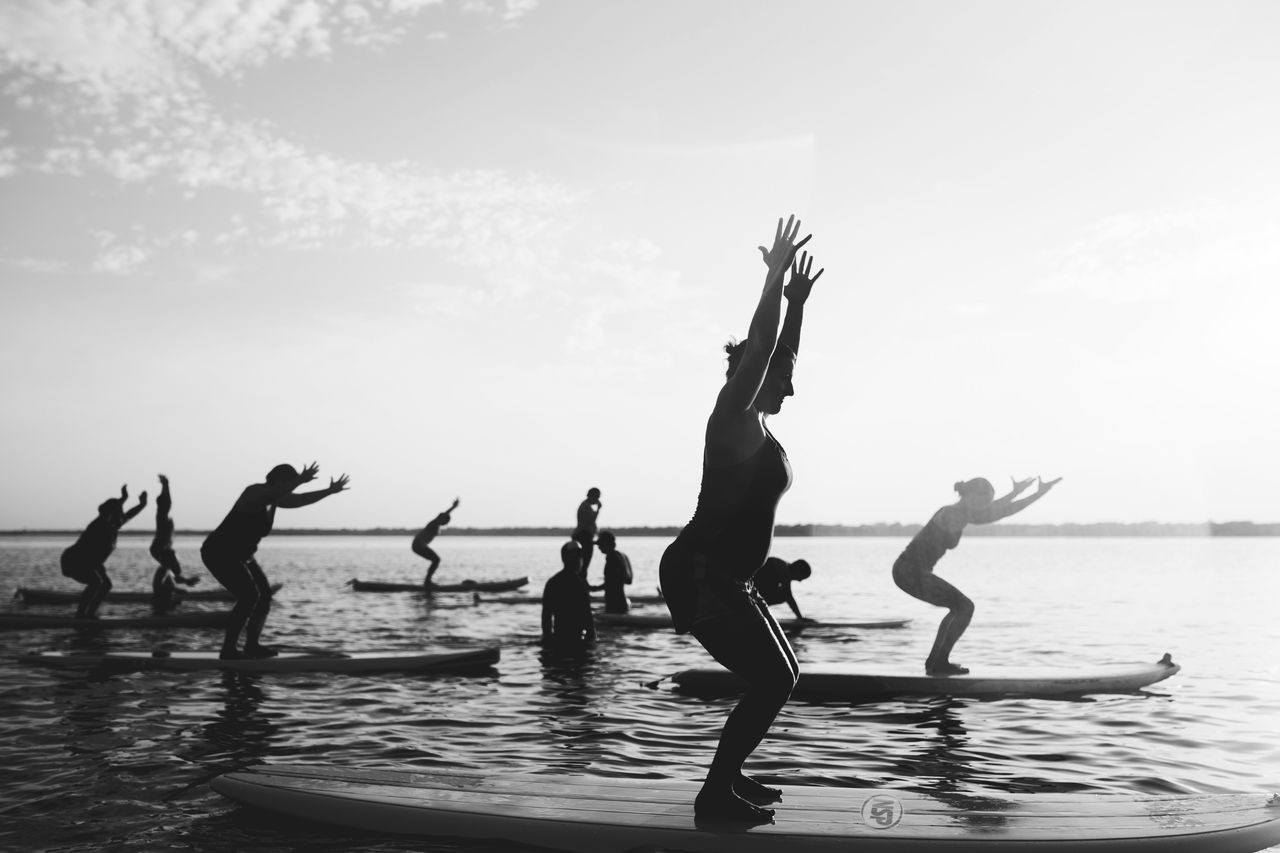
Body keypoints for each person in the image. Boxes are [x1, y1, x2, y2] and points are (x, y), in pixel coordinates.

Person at [658, 215, 820, 823]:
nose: (792, 388)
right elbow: (763, 346)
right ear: (752, 376)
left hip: (732, 578)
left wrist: (797, 304)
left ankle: (730, 776)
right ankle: (713, 796)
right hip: (700, 572)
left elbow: (782, 351)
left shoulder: (760, 427)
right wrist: (774, 281)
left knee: (786, 675)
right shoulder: (731, 415)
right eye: (782, 378)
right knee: (775, 680)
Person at [893, 475, 1062, 676]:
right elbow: (998, 512)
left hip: (912, 571)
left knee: (958, 607)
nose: (985, 506)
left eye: (988, 502)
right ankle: (938, 662)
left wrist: (1025, 493)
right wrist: (1031, 493)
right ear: (971, 495)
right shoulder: (953, 513)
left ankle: (935, 662)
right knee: (964, 607)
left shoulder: (961, 512)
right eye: (984, 501)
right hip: (909, 571)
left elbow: (998, 511)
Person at [201, 462, 349, 659]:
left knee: (263, 595)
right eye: (290, 483)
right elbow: (270, 495)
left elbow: (301, 499)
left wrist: (329, 491)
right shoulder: (254, 492)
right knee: (249, 596)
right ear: (279, 481)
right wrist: (300, 480)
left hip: (243, 556)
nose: (291, 487)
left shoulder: (275, 499)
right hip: (218, 552)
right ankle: (228, 650)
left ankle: (251, 646)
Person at [60, 485, 148, 619]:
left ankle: (89, 614)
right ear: (112, 513)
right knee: (96, 582)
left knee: (106, 585)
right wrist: (122, 499)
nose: (122, 514)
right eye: (120, 511)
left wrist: (141, 504)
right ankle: (80, 616)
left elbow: (128, 514)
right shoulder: (99, 525)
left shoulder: (114, 523)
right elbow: (107, 510)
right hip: (74, 560)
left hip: (91, 561)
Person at [150, 474, 200, 613]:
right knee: (169, 573)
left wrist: (185, 583)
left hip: (160, 549)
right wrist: (166, 485)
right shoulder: (162, 517)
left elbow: (165, 503)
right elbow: (165, 503)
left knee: (171, 574)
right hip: (158, 548)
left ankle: (167, 600)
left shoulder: (166, 568)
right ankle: (162, 603)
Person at [541, 540, 596, 650]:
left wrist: (547, 639)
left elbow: (546, 617)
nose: (579, 559)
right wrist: (592, 642)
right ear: (565, 558)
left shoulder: (553, 582)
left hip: (559, 640)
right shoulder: (579, 584)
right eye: (575, 556)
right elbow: (587, 617)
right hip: (577, 642)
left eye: (580, 556)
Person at [412, 497, 459, 586]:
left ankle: (427, 580)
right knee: (436, 560)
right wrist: (453, 507)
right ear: (442, 519)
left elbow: (444, 515)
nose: (447, 523)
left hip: (419, 545)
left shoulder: (436, 524)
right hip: (418, 545)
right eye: (447, 521)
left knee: (435, 560)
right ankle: (427, 581)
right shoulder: (435, 523)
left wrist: (454, 507)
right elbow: (445, 514)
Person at [753, 557, 812, 621]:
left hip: (757, 585)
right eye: (801, 577)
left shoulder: (784, 568)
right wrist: (800, 617)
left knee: (782, 594)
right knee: (783, 596)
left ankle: (758, 611)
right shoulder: (784, 569)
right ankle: (757, 611)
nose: (799, 580)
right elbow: (788, 596)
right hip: (754, 584)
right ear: (798, 570)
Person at [591, 531, 633, 614]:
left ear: (607, 543)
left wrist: (593, 588)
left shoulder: (612, 559)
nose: (598, 547)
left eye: (600, 543)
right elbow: (628, 580)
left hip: (614, 606)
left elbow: (611, 583)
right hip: (621, 604)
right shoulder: (622, 556)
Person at [572, 487, 602, 572]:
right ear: (591, 496)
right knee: (584, 566)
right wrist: (598, 510)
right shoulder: (585, 506)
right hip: (583, 537)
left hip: (585, 537)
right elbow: (591, 520)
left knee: (583, 566)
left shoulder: (586, 505)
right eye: (596, 497)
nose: (597, 499)